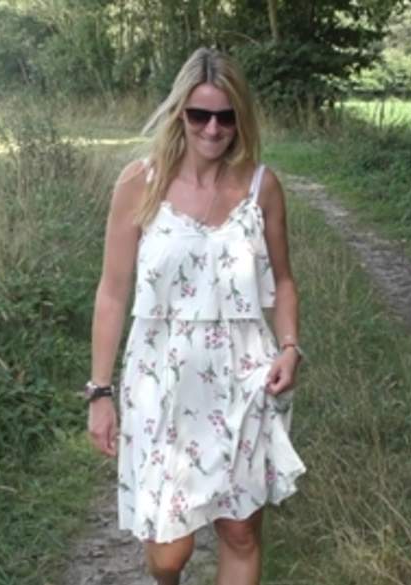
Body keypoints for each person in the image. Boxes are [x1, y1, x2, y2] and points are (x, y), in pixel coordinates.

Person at [84, 47, 306, 585]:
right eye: (200, 114)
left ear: (240, 118)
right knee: (168, 552)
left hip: (242, 376)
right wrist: (101, 392)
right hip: (159, 379)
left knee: (240, 532)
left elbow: (282, 280)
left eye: (225, 117)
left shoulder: (262, 187)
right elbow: (112, 292)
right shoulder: (139, 183)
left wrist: (289, 348)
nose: (212, 128)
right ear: (180, 112)